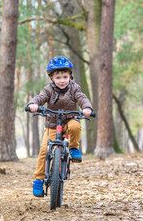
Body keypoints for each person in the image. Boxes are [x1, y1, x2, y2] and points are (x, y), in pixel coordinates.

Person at [26, 56, 93, 197]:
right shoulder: (48, 89)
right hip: (52, 124)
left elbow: (82, 98)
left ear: (70, 76)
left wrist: (87, 108)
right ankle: (38, 179)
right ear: (52, 79)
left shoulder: (75, 88)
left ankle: (74, 148)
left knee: (76, 126)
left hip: (69, 120)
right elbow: (40, 97)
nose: (62, 80)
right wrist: (33, 104)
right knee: (44, 150)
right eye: (58, 78)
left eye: (65, 77)